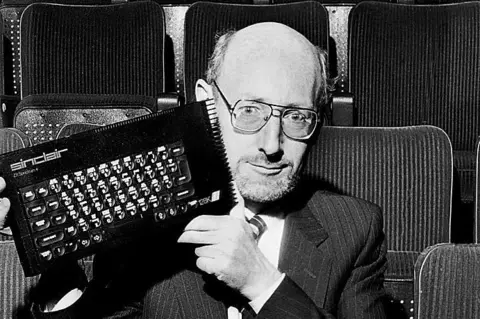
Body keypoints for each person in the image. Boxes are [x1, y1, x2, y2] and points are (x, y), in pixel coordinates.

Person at [0, 22, 387, 318]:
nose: (272, 144)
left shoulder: (354, 230)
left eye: (297, 117)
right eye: (249, 111)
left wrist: (264, 285)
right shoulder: (145, 217)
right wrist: (52, 248)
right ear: (205, 103)